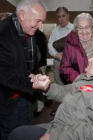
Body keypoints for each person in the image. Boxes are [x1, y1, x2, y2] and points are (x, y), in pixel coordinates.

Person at [8, 50, 93, 140]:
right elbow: (65, 92)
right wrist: (47, 87)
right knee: (18, 133)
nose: (89, 59)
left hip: (66, 134)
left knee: (19, 134)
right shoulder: (86, 80)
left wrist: (54, 136)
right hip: (57, 127)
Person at [0, 0, 47, 139]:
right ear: (22, 15)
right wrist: (32, 83)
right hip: (7, 98)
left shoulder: (27, 29)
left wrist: (35, 75)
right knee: (10, 133)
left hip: (23, 95)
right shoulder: (3, 34)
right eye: (38, 21)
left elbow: (29, 62)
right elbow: (3, 74)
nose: (40, 26)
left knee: (23, 130)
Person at [60, 13, 93, 84]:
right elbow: (64, 68)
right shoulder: (70, 42)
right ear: (76, 29)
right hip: (81, 84)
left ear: (92, 27)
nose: (84, 31)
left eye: (87, 27)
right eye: (80, 28)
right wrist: (80, 79)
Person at [48, 7, 74, 85]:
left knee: (71, 84)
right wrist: (56, 55)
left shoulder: (74, 29)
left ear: (68, 16)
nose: (61, 19)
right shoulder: (54, 31)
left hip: (72, 63)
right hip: (58, 61)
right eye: (59, 17)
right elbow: (49, 46)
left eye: (63, 16)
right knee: (59, 85)